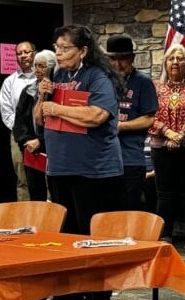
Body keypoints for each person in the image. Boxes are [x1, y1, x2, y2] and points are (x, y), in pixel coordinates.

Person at [36, 25, 125, 234]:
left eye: (65, 48)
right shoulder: (56, 75)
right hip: (59, 167)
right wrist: (41, 95)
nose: (58, 53)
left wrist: (57, 109)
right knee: (66, 233)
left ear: (83, 51)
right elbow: (39, 119)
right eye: (57, 47)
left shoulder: (98, 76)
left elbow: (97, 116)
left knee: (90, 234)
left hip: (92, 171)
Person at [149, 44, 185, 254]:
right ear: (165, 63)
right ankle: (165, 234)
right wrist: (167, 132)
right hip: (161, 146)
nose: (175, 62)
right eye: (171, 58)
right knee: (164, 192)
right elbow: (148, 115)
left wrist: (181, 134)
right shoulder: (155, 87)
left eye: (180, 58)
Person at [106, 36, 158, 211]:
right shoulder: (102, 80)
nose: (118, 64)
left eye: (123, 58)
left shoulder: (143, 81)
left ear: (132, 58)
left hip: (130, 158)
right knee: (105, 213)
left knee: (128, 212)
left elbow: (149, 118)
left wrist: (120, 126)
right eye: (113, 59)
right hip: (103, 159)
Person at [13, 49, 55, 202]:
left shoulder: (58, 89)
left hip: (51, 148)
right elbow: (19, 120)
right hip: (31, 148)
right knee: (35, 192)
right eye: (36, 66)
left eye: (42, 66)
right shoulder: (28, 90)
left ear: (52, 67)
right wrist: (26, 140)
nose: (37, 70)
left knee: (54, 194)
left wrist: (41, 140)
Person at [0, 41, 35, 200]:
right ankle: (25, 213)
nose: (23, 56)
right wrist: (24, 135)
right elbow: (7, 113)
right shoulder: (9, 82)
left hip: (44, 135)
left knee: (48, 177)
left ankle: (49, 213)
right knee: (22, 178)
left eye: (26, 52)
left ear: (34, 53)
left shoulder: (47, 78)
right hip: (18, 136)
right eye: (19, 53)